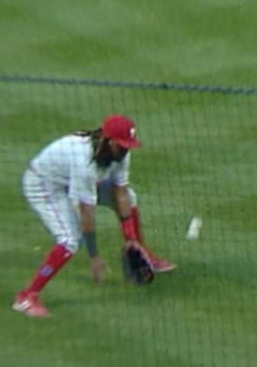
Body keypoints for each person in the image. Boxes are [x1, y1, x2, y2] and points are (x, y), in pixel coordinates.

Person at [12, 114, 174, 317]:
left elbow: (120, 192)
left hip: (68, 178)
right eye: (121, 145)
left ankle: (142, 252)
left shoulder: (121, 152)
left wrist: (132, 239)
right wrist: (94, 256)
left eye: (128, 145)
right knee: (70, 240)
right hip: (44, 185)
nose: (125, 150)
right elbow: (86, 213)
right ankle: (27, 297)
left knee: (130, 198)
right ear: (107, 140)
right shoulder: (85, 162)